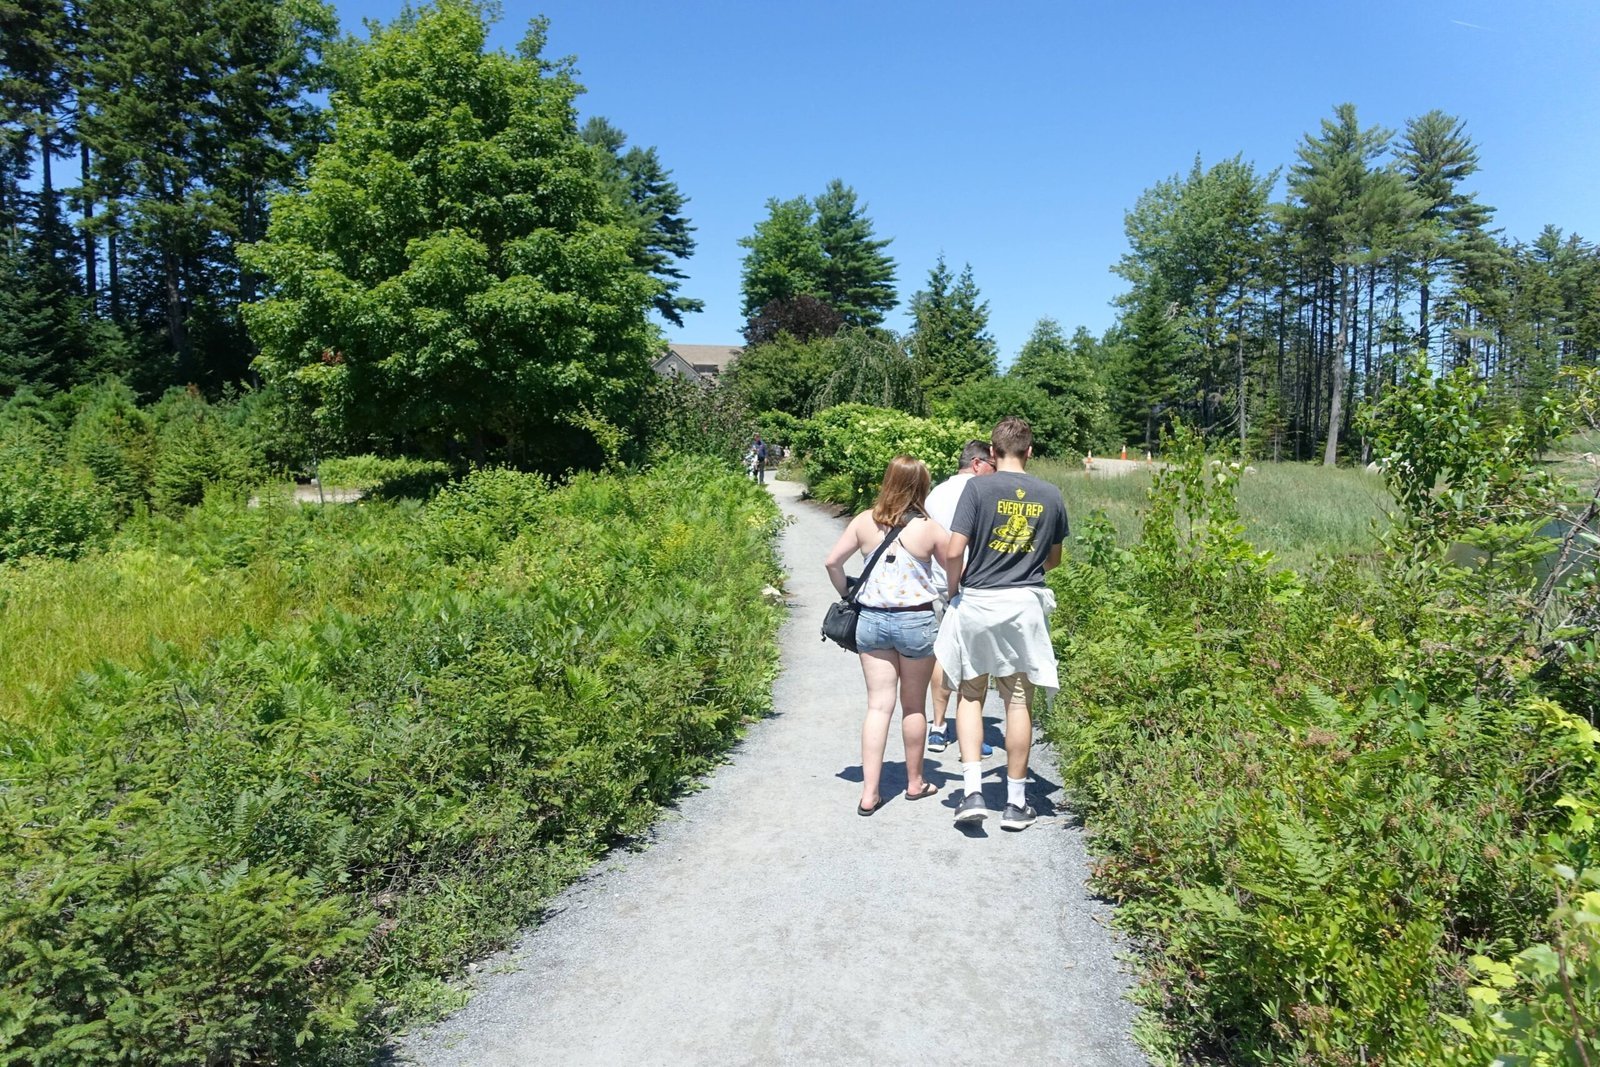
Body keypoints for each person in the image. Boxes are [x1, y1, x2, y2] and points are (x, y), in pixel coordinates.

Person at [935, 417, 1069, 831]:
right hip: (1023, 604)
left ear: (990, 453)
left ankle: (972, 793)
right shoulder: (1050, 494)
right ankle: (1015, 802)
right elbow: (1054, 559)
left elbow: (955, 549)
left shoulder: (978, 487)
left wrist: (956, 587)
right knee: (1016, 701)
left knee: (971, 695)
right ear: (1030, 451)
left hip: (978, 600)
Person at [824, 455, 949, 815]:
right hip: (916, 623)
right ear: (921, 486)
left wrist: (847, 594)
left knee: (878, 706)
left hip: (873, 622)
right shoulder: (929, 528)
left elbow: (832, 562)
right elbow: (956, 566)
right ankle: (915, 782)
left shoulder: (864, 521)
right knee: (914, 707)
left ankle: (869, 793)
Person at [923, 440, 997, 756]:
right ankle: (972, 732)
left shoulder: (935, 494)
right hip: (972, 584)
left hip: (938, 585)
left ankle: (938, 727)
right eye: (993, 466)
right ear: (978, 463)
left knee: (943, 655)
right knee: (975, 662)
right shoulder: (984, 492)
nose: (996, 472)